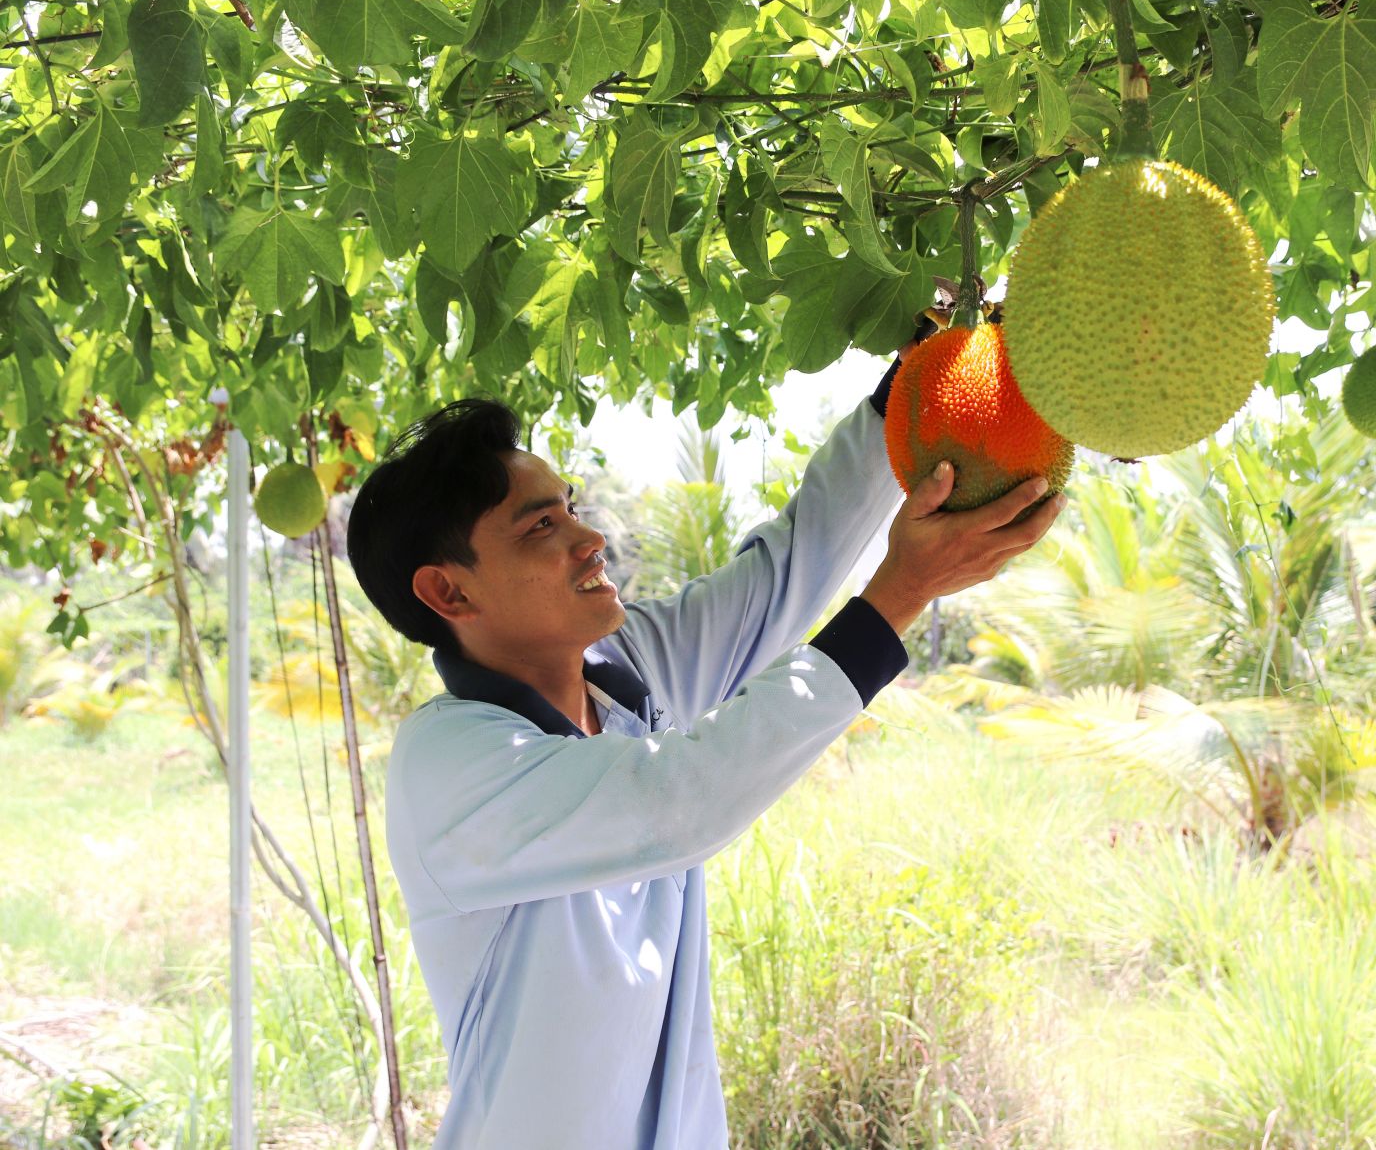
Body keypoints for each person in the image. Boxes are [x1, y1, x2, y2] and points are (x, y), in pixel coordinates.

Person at [344, 346, 1064, 1149]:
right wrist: (901, 593)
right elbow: (679, 799)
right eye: (542, 526)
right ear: (449, 590)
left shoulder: (628, 671)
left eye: (572, 506)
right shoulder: (448, 763)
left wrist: (921, 373)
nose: (591, 539)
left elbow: (790, 566)